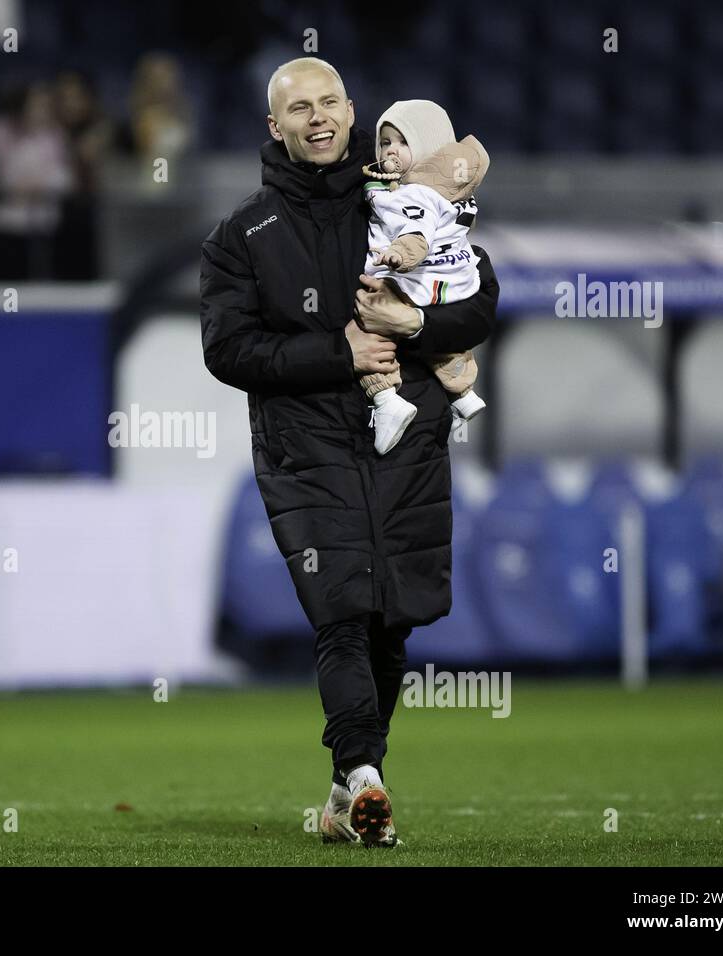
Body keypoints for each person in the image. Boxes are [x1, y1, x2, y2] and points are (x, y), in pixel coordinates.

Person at [199, 58, 499, 847]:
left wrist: (415, 332)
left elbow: (479, 300)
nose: (318, 116)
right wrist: (341, 352)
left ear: (352, 108)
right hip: (306, 448)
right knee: (340, 610)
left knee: (390, 622)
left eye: (329, 100)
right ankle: (366, 772)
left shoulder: (408, 195)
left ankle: (345, 790)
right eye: (299, 108)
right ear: (277, 127)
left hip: (408, 439)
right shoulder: (243, 235)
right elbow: (228, 351)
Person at [358, 99, 491, 453]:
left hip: (409, 277)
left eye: (402, 142)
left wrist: (397, 256)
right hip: (452, 281)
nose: (390, 151)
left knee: (366, 323)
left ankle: (386, 399)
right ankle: (462, 391)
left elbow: (414, 233)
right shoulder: (451, 193)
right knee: (444, 346)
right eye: (385, 142)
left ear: (429, 147)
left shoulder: (413, 194)